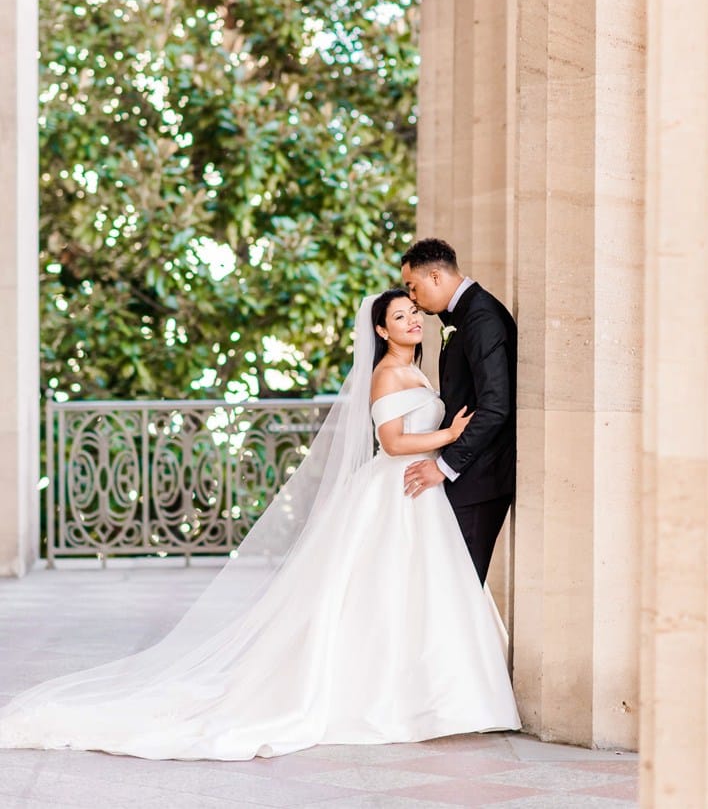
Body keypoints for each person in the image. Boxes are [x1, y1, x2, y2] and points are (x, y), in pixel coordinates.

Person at [0, 289, 520, 760]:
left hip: (417, 492)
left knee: (412, 592)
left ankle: (429, 691)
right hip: (398, 485)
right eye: (399, 317)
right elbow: (390, 442)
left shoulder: (423, 368)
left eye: (412, 314)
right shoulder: (386, 372)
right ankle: (387, 694)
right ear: (381, 330)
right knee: (378, 593)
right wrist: (448, 435)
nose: (411, 321)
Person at [401, 239, 517, 583]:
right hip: (469, 475)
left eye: (413, 286)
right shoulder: (463, 314)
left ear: (435, 276)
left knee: (458, 583)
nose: (412, 299)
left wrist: (445, 466)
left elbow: (495, 406)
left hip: (480, 478)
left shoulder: (481, 317)